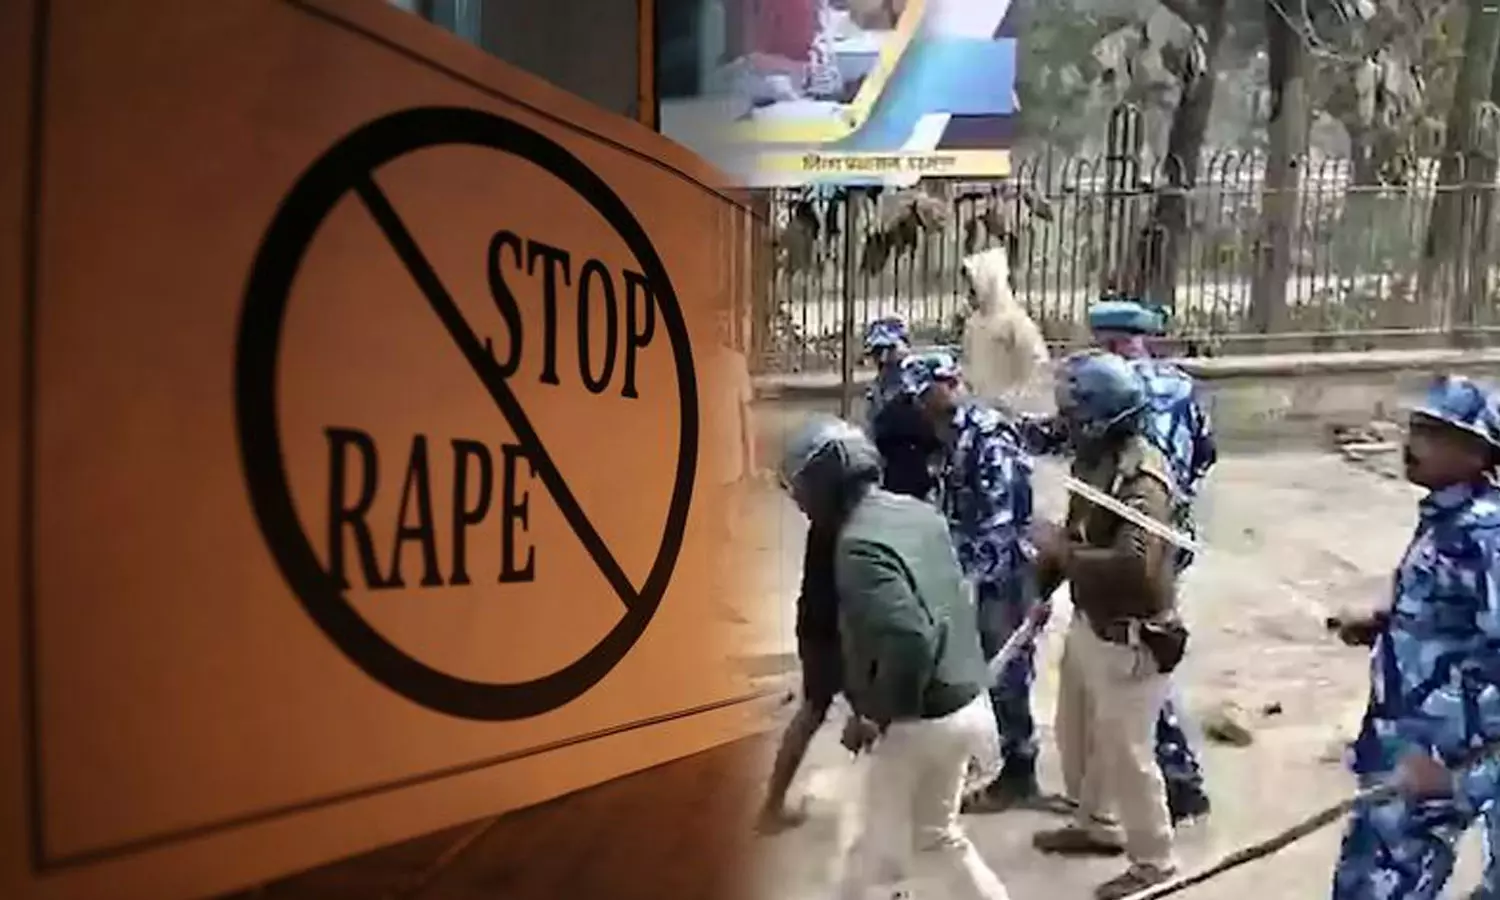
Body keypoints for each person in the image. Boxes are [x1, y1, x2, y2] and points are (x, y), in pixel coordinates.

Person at [777, 415, 1011, 900]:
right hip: (966, 701)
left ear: (822, 485)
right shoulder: (917, 513)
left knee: (868, 858)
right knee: (935, 836)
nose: (798, 503)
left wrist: (874, 714)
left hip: (919, 719)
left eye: (800, 489)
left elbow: (908, 639)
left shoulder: (857, 546)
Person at [1327, 375, 1500, 900]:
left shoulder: (1484, 533)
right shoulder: (1445, 518)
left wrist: (1457, 765)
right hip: (1405, 733)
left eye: (1435, 433)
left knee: (1378, 884)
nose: (1413, 442)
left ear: (1478, 454)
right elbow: (1457, 616)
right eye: (1416, 427)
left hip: (1443, 751)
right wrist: (1387, 621)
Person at [1029, 350, 1185, 899]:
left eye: (1074, 413)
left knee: (1127, 754)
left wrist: (1061, 552)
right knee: (1076, 734)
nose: (1065, 421)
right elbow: (1078, 533)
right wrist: (1044, 585)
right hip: (1091, 621)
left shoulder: (1142, 483)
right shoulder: (1093, 464)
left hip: (1132, 637)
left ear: (1100, 419)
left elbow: (1134, 568)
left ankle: (1155, 861)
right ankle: (1096, 824)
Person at [1089, 297, 1215, 824]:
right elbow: (1206, 453)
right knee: (1153, 640)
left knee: (1138, 651)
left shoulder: (1115, 391)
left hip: (1133, 530)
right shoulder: (1182, 386)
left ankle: (1177, 777)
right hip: (1173, 528)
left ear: (1114, 342)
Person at [903, 350, 1045, 810]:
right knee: (975, 668)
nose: (921, 403)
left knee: (1006, 672)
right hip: (970, 568)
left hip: (1002, 575)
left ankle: (1019, 772)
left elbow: (1001, 521)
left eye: (926, 392)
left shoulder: (988, 434)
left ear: (950, 384)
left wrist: (971, 580)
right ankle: (986, 758)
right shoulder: (946, 434)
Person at [864, 316, 943, 500]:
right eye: (878, 351)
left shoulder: (920, 381)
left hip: (924, 469)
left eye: (889, 349)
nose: (883, 358)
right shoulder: (877, 388)